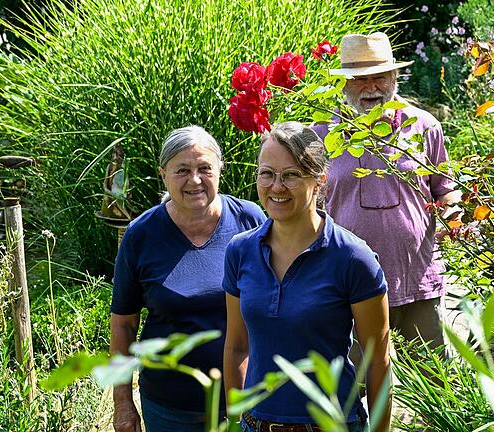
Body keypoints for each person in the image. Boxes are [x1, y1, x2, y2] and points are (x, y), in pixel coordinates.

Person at [223, 122, 391, 432]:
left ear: (320, 180)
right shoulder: (240, 251)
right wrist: (236, 420)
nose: (276, 187)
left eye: (291, 175)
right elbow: (236, 347)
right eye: (266, 173)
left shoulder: (354, 258)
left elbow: (378, 361)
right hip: (255, 424)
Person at [110, 125, 266, 432]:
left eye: (204, 168)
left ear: (220, 169)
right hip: (170, 408)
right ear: (163, 174)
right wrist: (123, 404)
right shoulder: (141, 235)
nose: (194, 180)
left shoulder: (251, 221)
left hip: (246, 401)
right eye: (182, 170)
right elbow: (123, 325)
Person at [315, 32, 461, 348]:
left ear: (394, 76)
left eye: (380, 76)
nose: (372, 87)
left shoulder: (423, 126)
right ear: (343, 83)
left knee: (432, 381)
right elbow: (309, 208)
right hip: (347, 284)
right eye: (360, 79)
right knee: (355, 385)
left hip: (417, 278)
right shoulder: (322, 135)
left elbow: (445, 189)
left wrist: (455, 216)